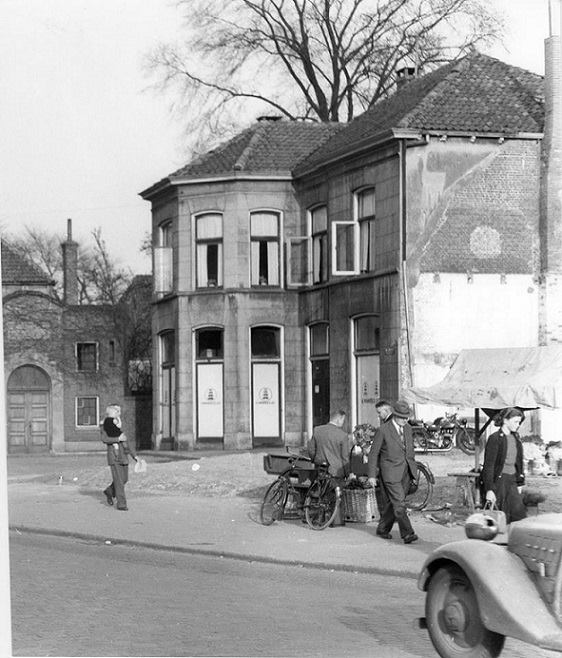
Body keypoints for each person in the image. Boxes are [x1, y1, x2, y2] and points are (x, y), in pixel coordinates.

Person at [367, 400, 419, 544]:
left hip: (406, 472)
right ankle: (408, 533)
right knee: (399, 503)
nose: (405, 420)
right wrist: (371, 475)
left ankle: (382, 529)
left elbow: (409, 450)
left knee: (394, 503)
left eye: (406, 417)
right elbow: (373, 454)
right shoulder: (383, 430)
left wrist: (413, 471)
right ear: (395, 415)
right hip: (390, 473)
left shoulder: (408, 428)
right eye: (402, 417)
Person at [481, 407, 527, 524]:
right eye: (515, 422)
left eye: (519, 422)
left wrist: (520, 482)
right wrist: (489, 489)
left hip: (512, 481)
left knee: (518, 515)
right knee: (499, 518)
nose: (518, 425)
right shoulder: (495, 438)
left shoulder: (516, 438)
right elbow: (489, 466)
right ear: (506, 421)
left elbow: (519, 462)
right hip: (499, 482)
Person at [306, 409, 350, 526]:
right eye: (343, 420)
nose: (343, 423)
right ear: (339, 419)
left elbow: (310, 449)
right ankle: (336, 521)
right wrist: (347, 473)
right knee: (336, 496)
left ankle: (317, 518)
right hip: (336, 471)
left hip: (320, 468)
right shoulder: (343, 435)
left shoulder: (317, 430)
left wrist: (315, 460)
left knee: (319, 493)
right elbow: (345, 458)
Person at [101, 403, 137, 511]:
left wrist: (135, 456)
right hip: (114, 456)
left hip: (124, 456)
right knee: (119, 481)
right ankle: (121, 504)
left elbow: (127, 442)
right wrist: (117, 439)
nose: (119, 414)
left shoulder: (120, 425)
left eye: (119, 412)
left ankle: (110, 491)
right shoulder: (105, 425)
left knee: (124, 479)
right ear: (111, 412)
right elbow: (105, 439)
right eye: (117, 411)